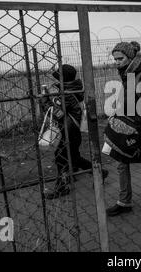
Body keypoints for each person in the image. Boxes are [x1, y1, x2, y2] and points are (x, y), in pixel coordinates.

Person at [105, 41, 141, 216]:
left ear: (130, 57)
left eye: (120, 58)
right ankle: (124, 202)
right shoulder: (128, 73)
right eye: (115, 59)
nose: (116, 62)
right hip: (127, 128)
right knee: (122, 164)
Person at [40, 64, 108, 199]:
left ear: (63, 78)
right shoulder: (72, 90)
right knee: (74, 158)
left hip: (67, 132)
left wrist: (45, 100)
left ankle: (61, 188)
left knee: (61, 159)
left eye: (58, 77)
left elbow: (57, 113)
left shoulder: (67, 94)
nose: (56, 81)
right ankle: (100, 173)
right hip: (72, 131)